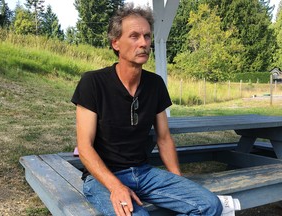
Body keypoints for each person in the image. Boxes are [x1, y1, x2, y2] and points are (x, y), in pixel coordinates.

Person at [71, 3, 223, 216]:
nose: (143, 43)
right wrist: (115, 187)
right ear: (116, 43)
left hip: (144, 173)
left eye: (147, 36)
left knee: (211, 205)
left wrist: (176, 179)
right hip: (102, 178)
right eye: (134, 36)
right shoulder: (93, 83)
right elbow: (84, 147)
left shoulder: (155, 84)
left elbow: (164, 138)